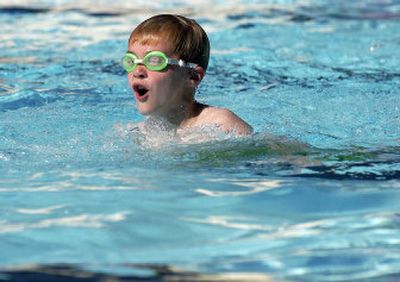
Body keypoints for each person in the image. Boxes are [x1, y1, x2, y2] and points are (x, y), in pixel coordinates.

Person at [122, 14, 253, 138]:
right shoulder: (140, 134)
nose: (137, 71)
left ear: (193, 76)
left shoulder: (221, 124)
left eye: (154, 61)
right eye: (131, 61)